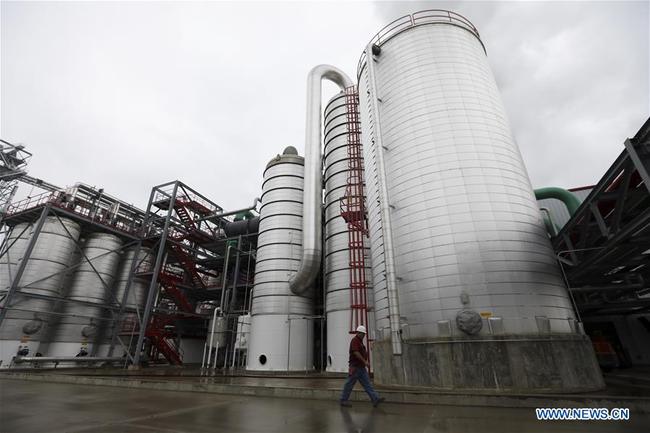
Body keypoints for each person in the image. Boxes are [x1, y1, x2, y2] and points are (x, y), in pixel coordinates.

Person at [339, 325, 385, 407]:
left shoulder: (360, 341)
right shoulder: (355, 341)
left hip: (361, 368)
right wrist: (365, 362)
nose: (364, 335)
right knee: (349, 384)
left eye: (364, 334)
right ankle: (343, 400)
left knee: (367, 384)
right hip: (355, 367)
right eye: (363, 334)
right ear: (358, 333)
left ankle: (375, 399)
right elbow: (356, 352)